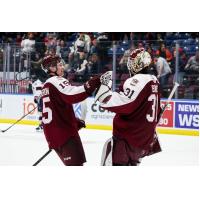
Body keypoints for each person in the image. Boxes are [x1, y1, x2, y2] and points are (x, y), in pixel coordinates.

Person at [95, 48, 162, 166]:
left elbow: (125, 104)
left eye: (132, 62)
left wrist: (104, 96)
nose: (130, 66)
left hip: (128, 140)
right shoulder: (154, 80)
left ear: (139, 64)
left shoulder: (137, 80)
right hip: (143, 142)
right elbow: (155, 112)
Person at [41, 55, 101, 166]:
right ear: (52, 68)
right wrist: (92, 83)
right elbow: (73, 95)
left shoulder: (46, 85)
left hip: (54, 134)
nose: (62, 67)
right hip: (64, 135)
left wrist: (73, 122)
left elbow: (57, 110)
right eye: (59, 65)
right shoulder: (56, 80)